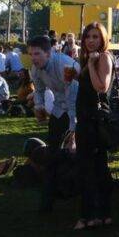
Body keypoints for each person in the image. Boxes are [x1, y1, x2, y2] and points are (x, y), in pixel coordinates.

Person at [28, 34, 80, 209]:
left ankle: (69, 190)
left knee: (73, 154)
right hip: (59, 110)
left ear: (48, 53)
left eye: (37, 54)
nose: (33, 58)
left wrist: (73, 131)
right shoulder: (35, 69)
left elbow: (73, 99)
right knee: (52, 153)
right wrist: (39, 107)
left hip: (79, 109)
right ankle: (49, 197)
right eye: (31, 54)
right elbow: (39, 90)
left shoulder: (65, 65)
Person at [74, 22, 114, 230]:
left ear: (103, 39)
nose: (91, 41)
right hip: (86, 119)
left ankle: (90, 215)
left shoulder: (103, 57)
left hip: (95, 121)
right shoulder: (90, 58)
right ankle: (101, 214)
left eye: (95, 37)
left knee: (91, 168)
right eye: (88, 37)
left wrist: (90, 65)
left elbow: (102, 86)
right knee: (96, 167)